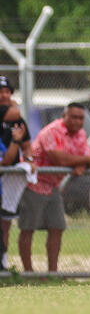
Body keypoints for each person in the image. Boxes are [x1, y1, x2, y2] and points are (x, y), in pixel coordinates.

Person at [19, 103, 90, 272]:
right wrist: (82, 161)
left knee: (57, 227)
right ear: (64, 116)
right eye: (73, 117)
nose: (77, 121)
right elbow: (60, 159)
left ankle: (52, 273)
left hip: (53, 185)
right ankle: (28, 273)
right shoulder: (52, 131)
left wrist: (81, 164)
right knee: (28, 228)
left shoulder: (81, 134)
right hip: (34, 184)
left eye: (81, 118)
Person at [0, 76, 32, 269]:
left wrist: (29, 160)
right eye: (0, 92)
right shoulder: (12, 112)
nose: (4, 95)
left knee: (5, 222)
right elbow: (15, 111)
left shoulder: (17, 120)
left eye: (7, 92)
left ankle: (2, 264)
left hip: (7, 180)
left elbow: (28, 147)